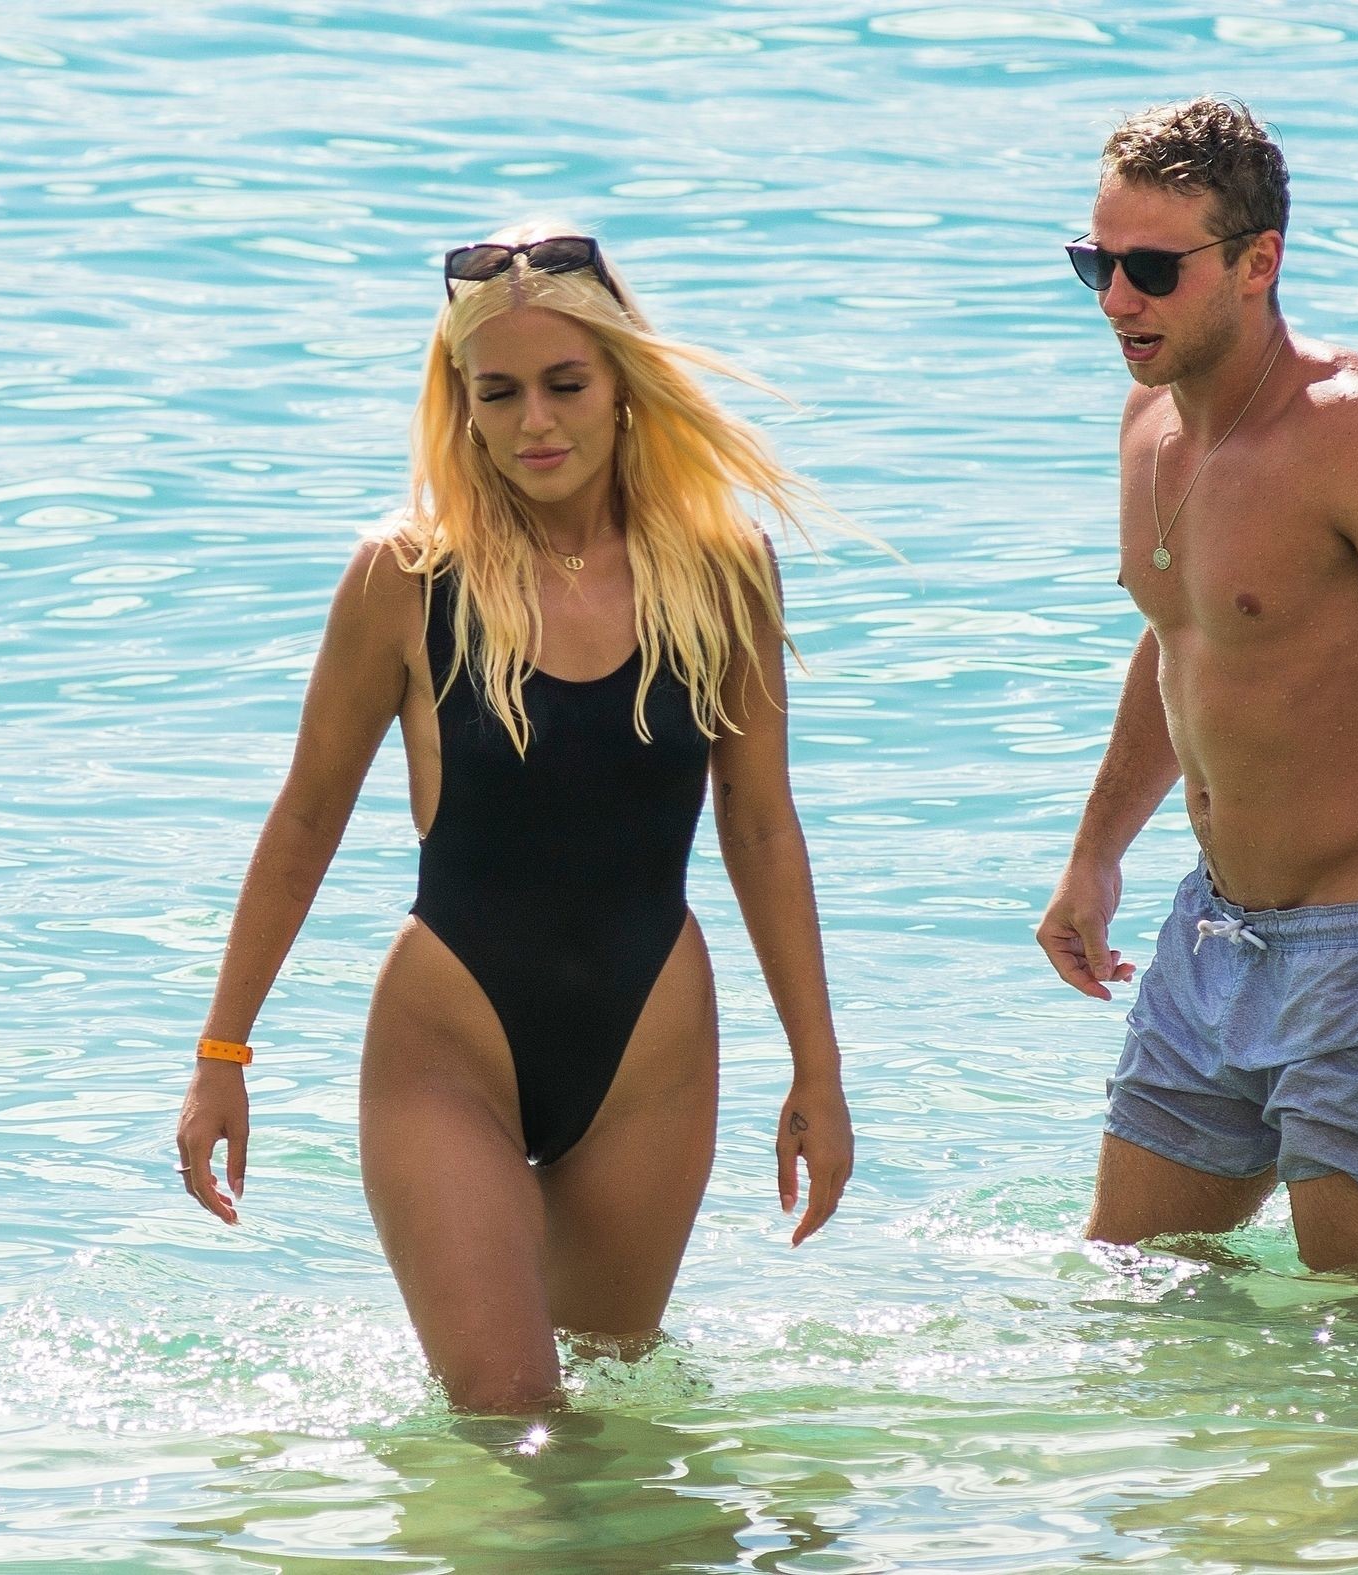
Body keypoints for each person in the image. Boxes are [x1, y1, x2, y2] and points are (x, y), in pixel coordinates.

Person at [174, 222, 855, 1410]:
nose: (536, 421)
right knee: (507, 1412)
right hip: (449, 1043)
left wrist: (819, 1071)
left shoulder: (723, 569)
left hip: (650, 1046)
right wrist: (221, 1057)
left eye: (565, 385)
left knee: (614, 1419)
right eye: (500, 393)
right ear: (464, 407)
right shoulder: (405, 578)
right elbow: (306, 819)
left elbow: (760, 827)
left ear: (622, 385)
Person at [1038, 97, 1358, 1271]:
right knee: (1132, 1291)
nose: (1117, 301)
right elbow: (1185, 638)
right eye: (1097, 263)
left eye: (1153, 270)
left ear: (1257, 262)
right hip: (1208, 935)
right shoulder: (1148, 421)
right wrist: (1096, 854)